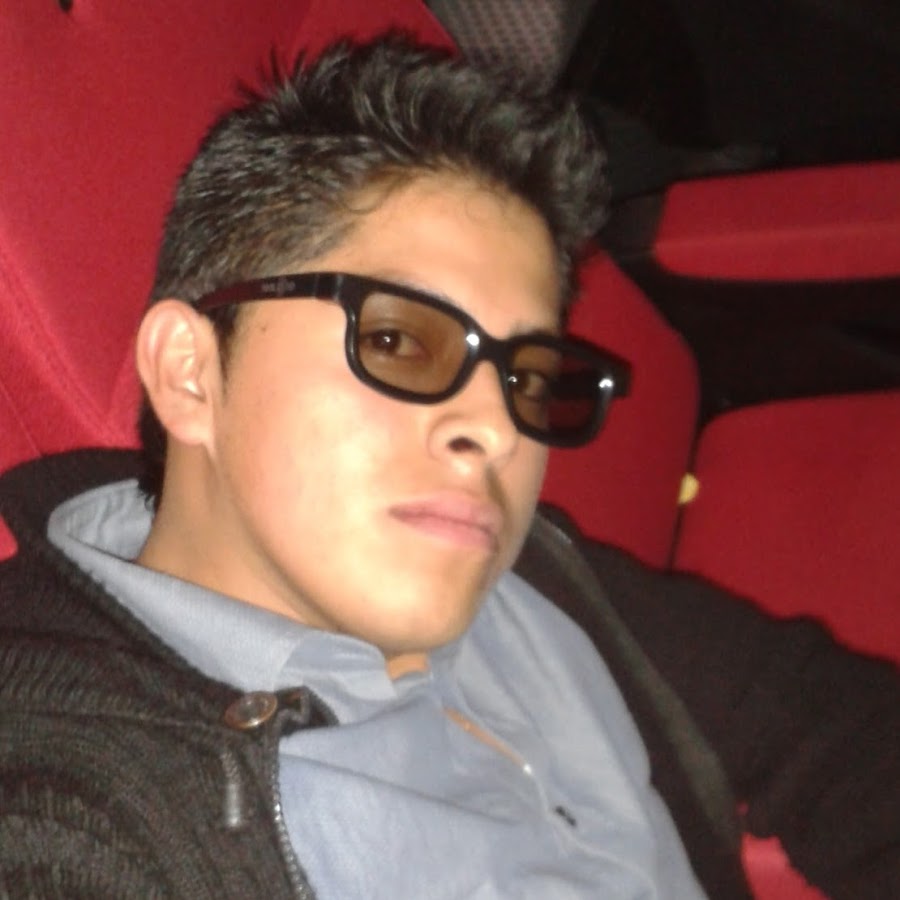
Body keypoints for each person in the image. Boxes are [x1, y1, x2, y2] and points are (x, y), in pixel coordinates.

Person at [0, 34, 896, 900]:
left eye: (526, 378)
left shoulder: (520, 570)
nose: (497, 431)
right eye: (397, 340)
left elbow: (819, 717)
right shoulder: (79, 806)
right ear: (190, 373)